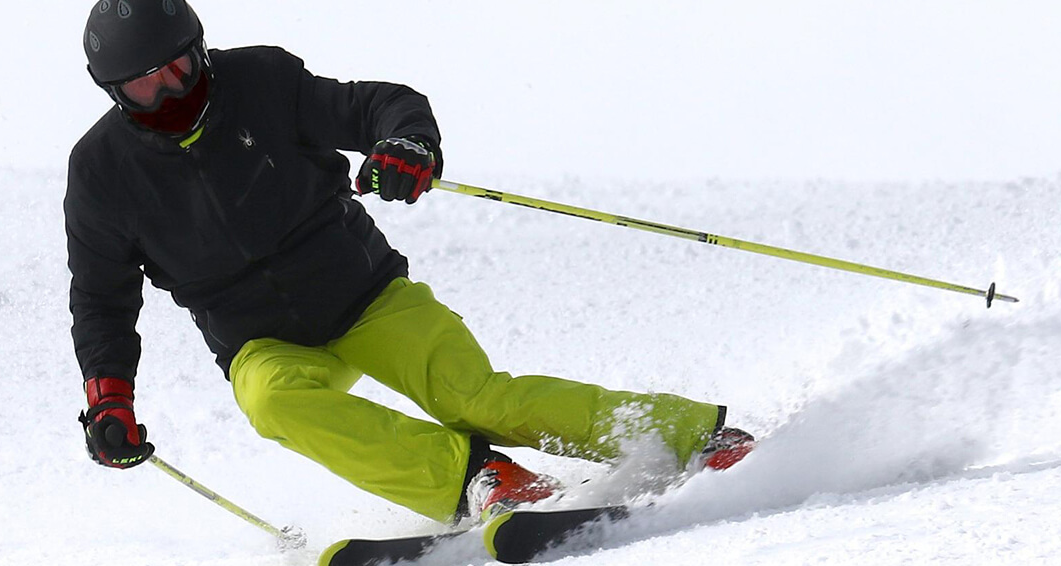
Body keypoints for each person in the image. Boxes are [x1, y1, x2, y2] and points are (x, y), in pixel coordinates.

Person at [68, 0, 754, 525]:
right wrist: (110, 400)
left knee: (473, 397)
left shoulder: (262, 80)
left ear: (201, 52)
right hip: (259, 340)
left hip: (365, 296)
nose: (167, 93)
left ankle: (692, 435)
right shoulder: (102, 173)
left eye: (178, 69)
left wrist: (406, 143)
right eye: (143, 87)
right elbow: (101, 298)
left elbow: (376, 105)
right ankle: (478, 479)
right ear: (113, 93)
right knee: (271, 402)